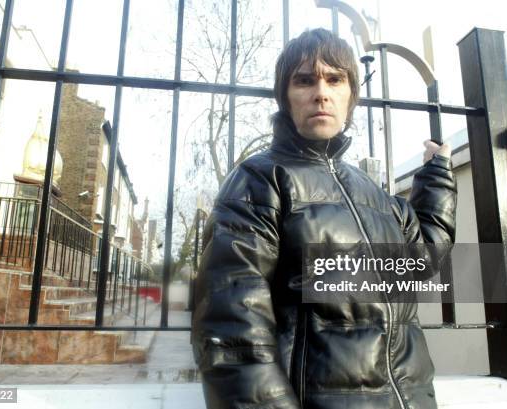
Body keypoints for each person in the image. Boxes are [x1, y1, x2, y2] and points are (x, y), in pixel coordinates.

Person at [191, 28, 456, 409]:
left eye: (335, 79)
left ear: (351, 96)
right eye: (304, 80)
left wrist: (437, 176)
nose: (321, 92)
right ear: (285, 97)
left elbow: (423, 261)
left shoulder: (375, 194)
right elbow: (233, 329)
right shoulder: (259, 181)